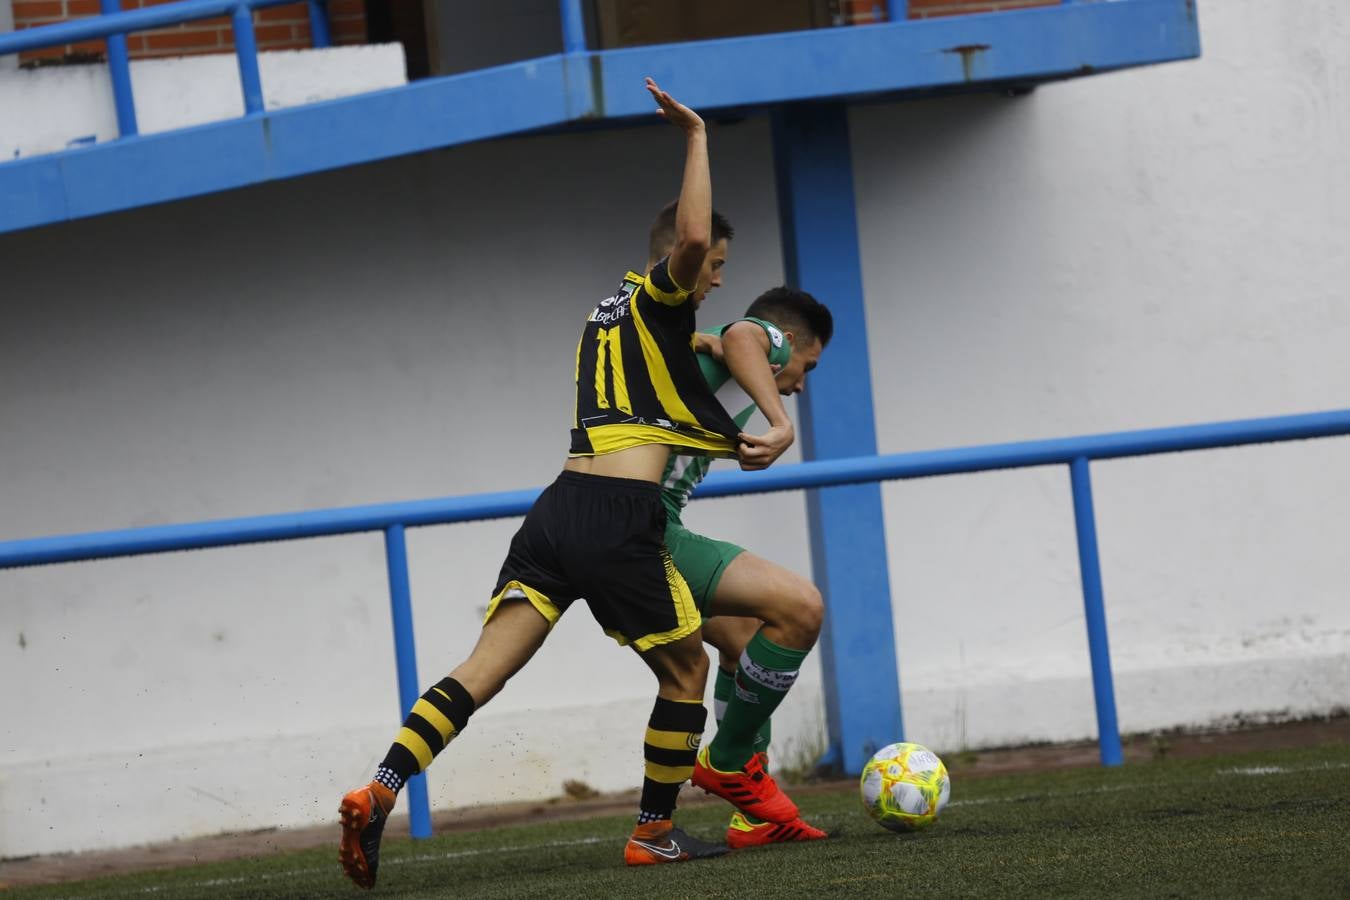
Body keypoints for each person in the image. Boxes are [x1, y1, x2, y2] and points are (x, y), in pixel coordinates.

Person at [337, 78, 798, 890]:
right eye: (714, 266)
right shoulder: (660, 294)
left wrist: (731, 433)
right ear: (673, 260)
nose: (716, 277)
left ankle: (380, 786)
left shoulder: (608, 313)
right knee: (686, 673)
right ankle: (653, 832)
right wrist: (696, 136)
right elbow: (695, 243)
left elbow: (698, 359)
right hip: (620, 518)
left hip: (554, 511)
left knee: (481, 670)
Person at [666, 287, 834, 849]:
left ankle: (752, 812)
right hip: (643, 531)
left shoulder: (725, 362)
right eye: (808, 364)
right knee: (801, 607)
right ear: (792, 344)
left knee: (739, 639)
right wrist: (780, 424)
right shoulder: (760, 346)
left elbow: (729, 344)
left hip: (628, 526)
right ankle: (731, 760)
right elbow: (745, 333)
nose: (802, 381)